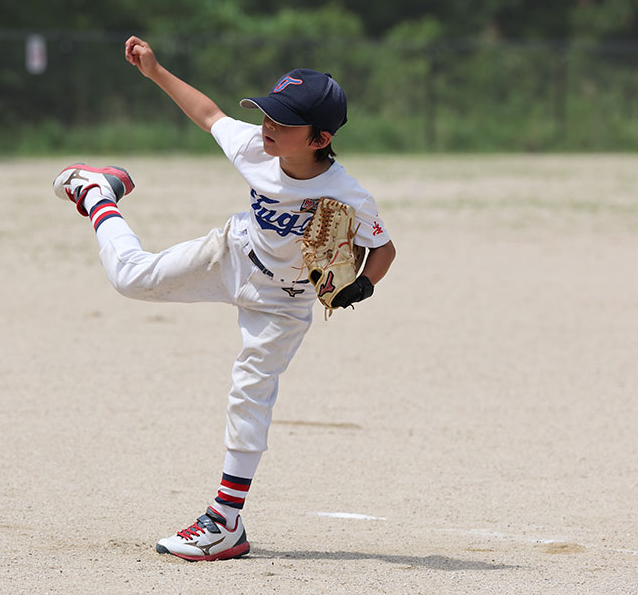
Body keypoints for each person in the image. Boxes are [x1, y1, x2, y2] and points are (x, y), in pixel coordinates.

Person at [51, 36, 397, 562]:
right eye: (268, 113)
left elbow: (384, 248)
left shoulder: (347, 194)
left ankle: (224, 521)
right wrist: (155, 71)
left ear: (321, 136)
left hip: (282, 304)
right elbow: (209, 113)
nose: (269, 126)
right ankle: (99, 193)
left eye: (284, 122)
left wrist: (362, 285)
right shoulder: (257, 149)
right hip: (232, 254)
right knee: (128, 278)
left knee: (250, 393)